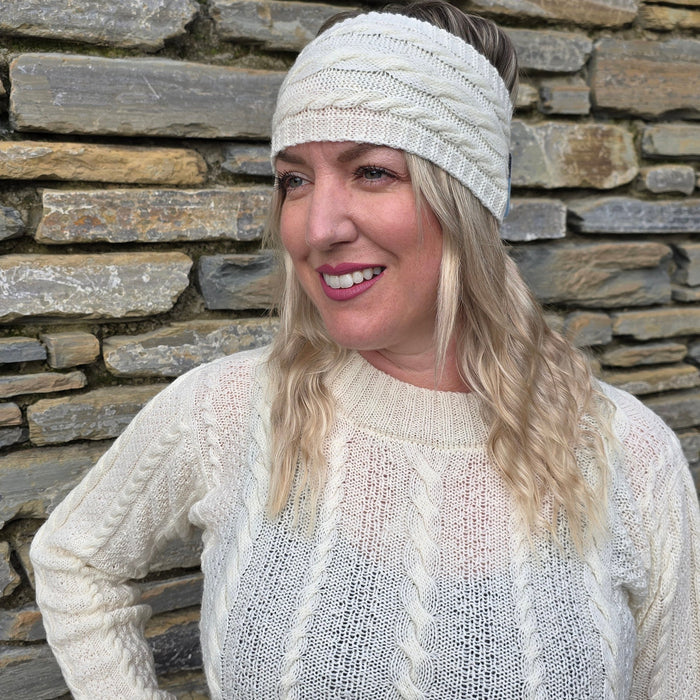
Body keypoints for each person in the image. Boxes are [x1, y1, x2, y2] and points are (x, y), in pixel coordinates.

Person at [30, 1, 700, 698]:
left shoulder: (630, 456)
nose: (317, 228)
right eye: (294, 180)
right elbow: (75, 560)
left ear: (467, 197)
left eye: (372, 172)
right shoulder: (226, 412)